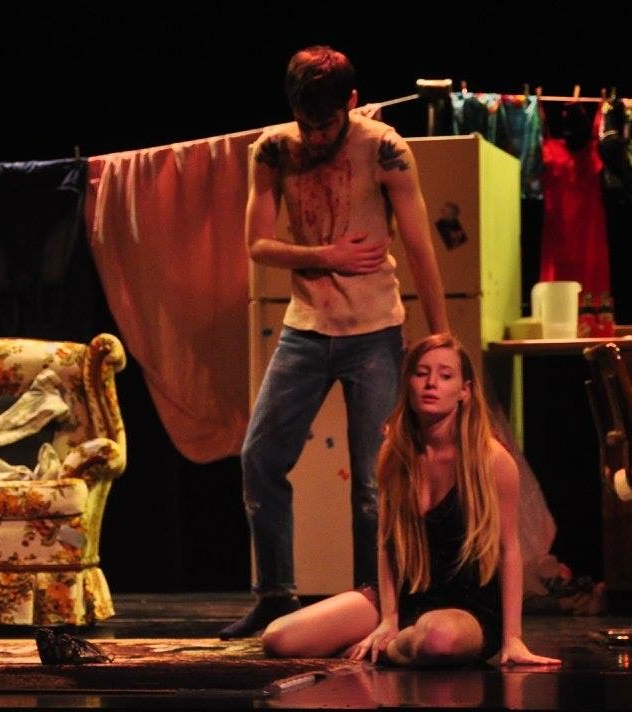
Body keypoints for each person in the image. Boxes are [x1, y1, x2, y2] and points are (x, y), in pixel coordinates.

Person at [220, 45, 450, 639]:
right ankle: (275, 594)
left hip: (374, 331)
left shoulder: (385, 148)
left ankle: (372, 604)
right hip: (305, 329)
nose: (316, 135)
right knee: (260, 458)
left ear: (351, 101)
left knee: (374, 483)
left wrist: (441, 334)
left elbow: (420, 245)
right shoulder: (272, 150)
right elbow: (257, 245)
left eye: (326, 123)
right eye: (307, 123)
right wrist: (327, 256)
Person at [259, 334, 562, 667]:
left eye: (445, 376)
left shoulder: (492, 460)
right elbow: (387, 544)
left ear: (464, 390)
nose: (431, 383)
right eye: (421, 373)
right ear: (408, 383)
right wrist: (389, 617)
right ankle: (397, 638)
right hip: (404, 597)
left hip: (466, 608)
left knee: (437, 638)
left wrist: (513, 637)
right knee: (280, 637)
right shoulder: (396, 453)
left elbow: (509, 549)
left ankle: (389, 649)